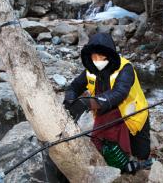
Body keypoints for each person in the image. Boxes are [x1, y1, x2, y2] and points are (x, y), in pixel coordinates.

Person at [63, 33, 150, 171]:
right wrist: (70, 100)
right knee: (103, 146)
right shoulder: (90, 70)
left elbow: (119, 93)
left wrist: (87, 103)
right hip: (104, 112)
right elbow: (74, 87)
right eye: (94, 56)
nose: (97, 60)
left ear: (109, 55)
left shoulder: (125, 69)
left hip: (133, 114)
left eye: (101, 56)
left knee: (142, 154)